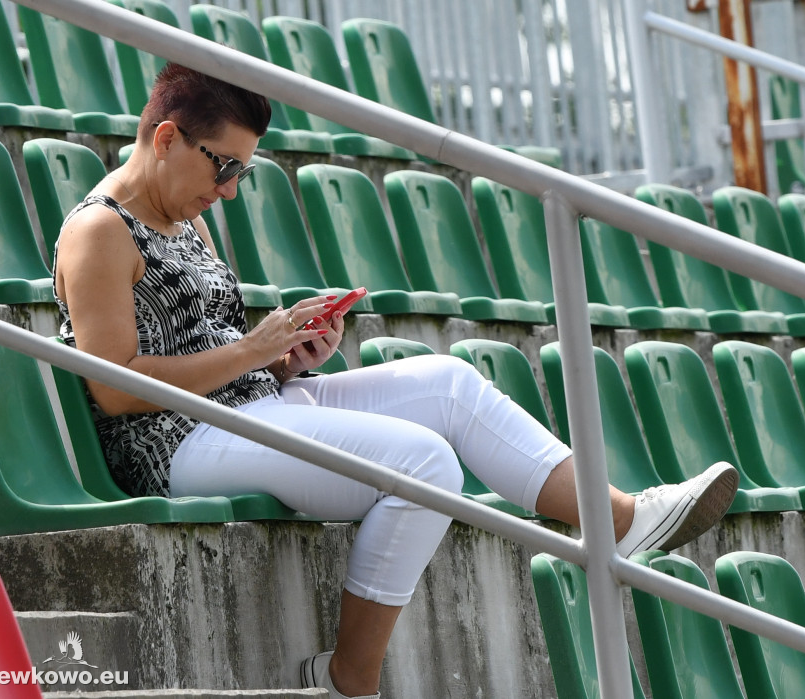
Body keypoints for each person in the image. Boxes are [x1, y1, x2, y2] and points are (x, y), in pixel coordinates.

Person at [52, 63, 738, 699]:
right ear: (167, 137)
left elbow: (214, 345)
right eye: (224, 166)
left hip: (249, 406)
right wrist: (249, 352)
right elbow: (116, 389)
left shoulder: (186, 214)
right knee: (424, 464)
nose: (229, 188)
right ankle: (350, 677)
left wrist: (283, 355)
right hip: (177, 444)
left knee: (448, 381)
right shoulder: (99, 233)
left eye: (242, 173)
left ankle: (619, 519)